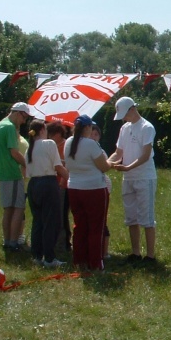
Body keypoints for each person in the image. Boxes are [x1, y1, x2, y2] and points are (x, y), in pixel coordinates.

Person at [108, 97, 158, 265]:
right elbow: (118, 152)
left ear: (132, 109)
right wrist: (106, 164)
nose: (123, 118)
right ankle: (135, 253)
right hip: (128, 178)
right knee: (131, 217)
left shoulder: (147, 127)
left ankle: (150, 256)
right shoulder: (124, 128)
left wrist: (128, 167)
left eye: (125, 114)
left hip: (144, 177)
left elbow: (146, 155)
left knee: (147, 218)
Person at [65, 115, 111, 271]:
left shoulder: (69, 142)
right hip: (94, 189)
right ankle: (96, 263)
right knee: (96, 227)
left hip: (74, 188)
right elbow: (104, 167)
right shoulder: (91, 144)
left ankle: (79, 260)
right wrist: (111, 162)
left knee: (80, 226)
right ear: (86, 128)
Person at [0, 102, 31, 251]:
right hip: (11, 172)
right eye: (24, 118)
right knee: (18, 207)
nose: (24, 121)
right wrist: (27, 165)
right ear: (18, 113)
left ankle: (7, 241)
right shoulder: (10, 127)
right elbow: (14, 152)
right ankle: (13, 242)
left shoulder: (0, 125)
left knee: (8, 209)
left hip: (2, 172)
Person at [25, 119, 68, 267]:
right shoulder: (49, 144)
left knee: (38, 221)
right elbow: (57, 167)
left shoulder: (29, 148)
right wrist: (71, 178)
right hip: (48, 183)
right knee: (51, 221)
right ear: (43, 130)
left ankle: (37, 255)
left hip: (33, 184)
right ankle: (49, 258)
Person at [46, 121, 71, 253]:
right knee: (56, 214)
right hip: (53, 184)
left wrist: (62, 181)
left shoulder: (66, 145)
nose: (49, 137)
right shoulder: (51, 146)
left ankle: (64, 244)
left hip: (64, 186)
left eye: (51, 134)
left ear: (58, 134)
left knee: (62, 215)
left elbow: (67, 165)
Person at [91, 125, 112, 260]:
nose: (93, 137)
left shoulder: (100, 151)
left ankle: (104, 252)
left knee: (101, 220)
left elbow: (104, 167)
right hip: (90, 187)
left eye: (96, 135)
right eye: (91, 134)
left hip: (102, 186)